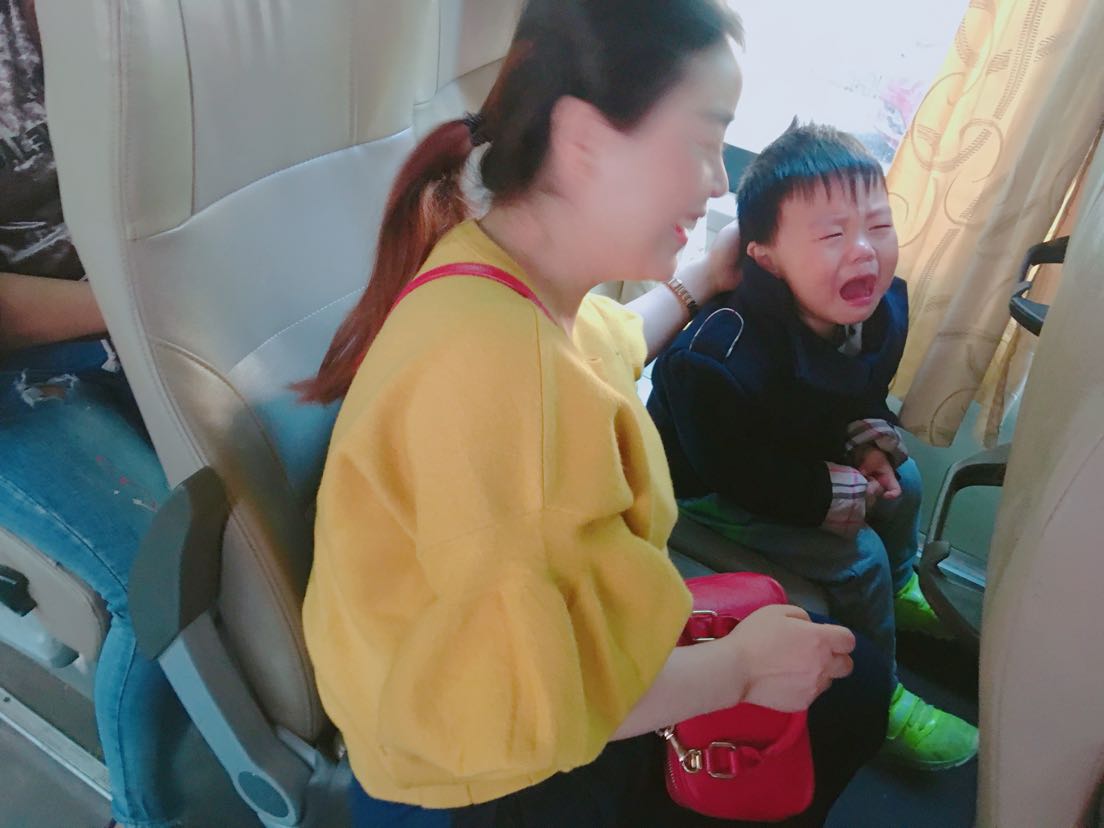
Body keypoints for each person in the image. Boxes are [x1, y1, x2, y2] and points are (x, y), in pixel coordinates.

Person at [300, 4, 893, 825]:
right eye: (703, 142)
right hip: (474, 774)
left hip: (526, 694)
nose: (719, 182)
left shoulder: (505, 273)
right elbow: (526, 701)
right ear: (583, 141)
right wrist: (741, 670)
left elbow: (608, 344)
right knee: (836, 696)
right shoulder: (494, 378)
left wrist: (695, 282)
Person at [647, 123, 978, 771]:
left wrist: (868, 440)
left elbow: (860, 390)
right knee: (858, 561)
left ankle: (903, 585)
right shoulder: (718, 356)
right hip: (709, 487)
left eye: (878, 226)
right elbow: (730, 466)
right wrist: (823, 494)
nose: (865, 253)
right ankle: (879, 693)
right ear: (766, 257)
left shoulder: (881, 305)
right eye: (832, 236)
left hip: (797, 445)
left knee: (906, 483)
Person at [0, 2, 186, 826]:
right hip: (25, 366)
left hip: (141, 300)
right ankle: (143, 813)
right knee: (165, 573)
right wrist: (146, 304)